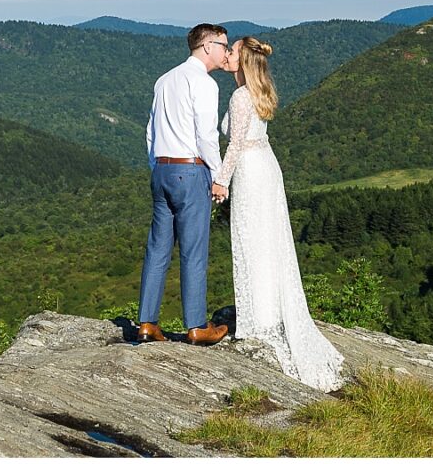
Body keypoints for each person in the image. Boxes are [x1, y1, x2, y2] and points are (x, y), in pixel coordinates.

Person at [214, 36, 346, 390]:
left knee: (251, 241)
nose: (226, 55)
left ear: (241, 59)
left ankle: (260, 318)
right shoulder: (258, 90)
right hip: (267, 167)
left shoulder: (240, 96)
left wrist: (221, 181)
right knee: (268, 241)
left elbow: (236, 143)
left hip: (250, 171)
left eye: (232, 51)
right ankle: (269, 311)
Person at [134, 23, 231, 345]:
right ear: (206, 46)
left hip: (161, 170)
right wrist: (219, 176)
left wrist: (156, 165)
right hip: (190, 172)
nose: (226, 52)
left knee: (157, 250)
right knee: (193, 251)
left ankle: (147, 323)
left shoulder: (165, 79)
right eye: (222, 45)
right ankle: (196, 326)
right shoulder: (203, 83)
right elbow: (206, 134)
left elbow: (150, 130)